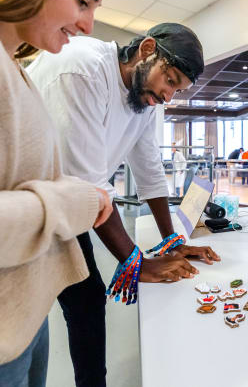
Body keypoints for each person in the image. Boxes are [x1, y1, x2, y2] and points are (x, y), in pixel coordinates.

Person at [28, 22, 221, 385]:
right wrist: (138, 263)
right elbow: (89, 186)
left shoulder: (144, 99)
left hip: (63, 201)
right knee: (40, 315)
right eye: (170, 80)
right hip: (25, 202)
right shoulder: (83, 69)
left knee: (85, 301)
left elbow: (149, 170)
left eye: (176, 90)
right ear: (148, 49)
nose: (168, 96)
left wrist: (172, 241)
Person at [0, 0, 113, 386]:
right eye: (82, 0)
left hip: (26, 311)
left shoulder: (16, 68)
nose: (86, 24)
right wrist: (72, 201)